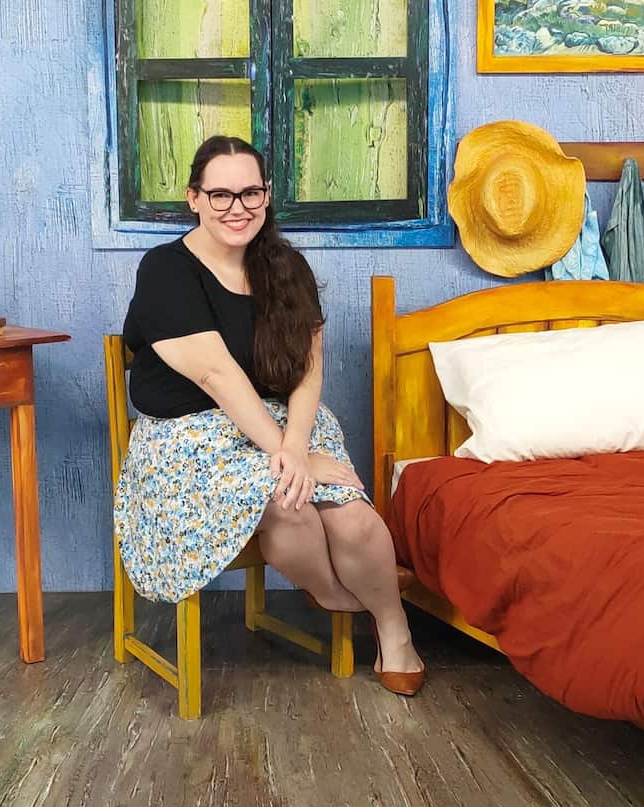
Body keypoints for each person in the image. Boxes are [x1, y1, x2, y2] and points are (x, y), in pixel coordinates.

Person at [113, 135, 424, 695]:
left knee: (352, 517)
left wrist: (297, 446)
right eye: (220, 195)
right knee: (291, 505)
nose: (237, 208)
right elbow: (217, 375)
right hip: (190, 442)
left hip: (286, 424)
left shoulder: (287, 267)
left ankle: (394, 628)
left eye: (250, 193)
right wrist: (287, 456)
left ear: (267, 194)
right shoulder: (165, 270)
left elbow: (308, 370)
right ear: (194, 197)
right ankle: (337, 595)